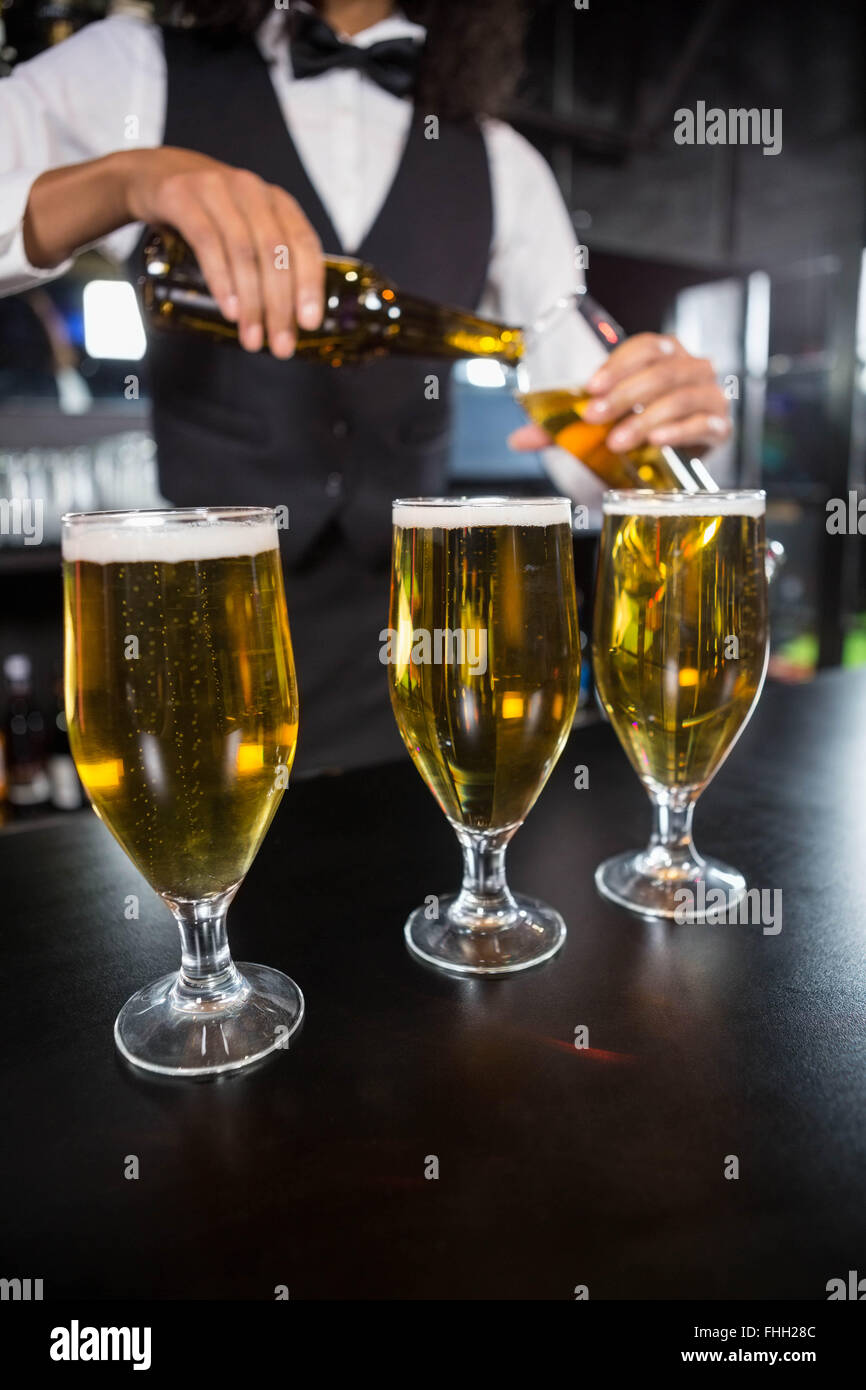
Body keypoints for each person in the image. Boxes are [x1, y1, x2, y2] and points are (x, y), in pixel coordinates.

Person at [0, 0, 731, 773]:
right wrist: (126, 178)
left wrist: (661, 417)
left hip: (404, 650)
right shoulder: (133, 65)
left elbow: (586, 427)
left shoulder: (498, 155)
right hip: (199, 634)